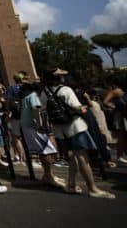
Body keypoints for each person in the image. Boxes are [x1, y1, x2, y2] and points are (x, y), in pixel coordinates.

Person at [40, 68, 115, 199]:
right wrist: (84, 108)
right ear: (57, 78)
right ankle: (93, 188)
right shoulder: (65, 90)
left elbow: (43, 111)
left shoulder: (44, 93)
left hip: (59, 129)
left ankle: (71, 184)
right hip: (74, 126)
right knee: (82, 157)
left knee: (71, 157)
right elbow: (77, 108)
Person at [17, 76, 66, 188]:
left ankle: (49, 175)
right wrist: (42, 125)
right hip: (34, 126)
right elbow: (36, 110)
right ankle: (49, 176)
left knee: (44, 150)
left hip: (29, 125)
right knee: (46, 150)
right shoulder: (34, 96)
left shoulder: (28, 96)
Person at [102, 75, 127, 165]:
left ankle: (120, 155)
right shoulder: (118, 91)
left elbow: (105, 102)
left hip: (122, 115)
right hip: (121, 115)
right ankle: (120, 156)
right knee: (122, 136)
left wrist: (115, 106)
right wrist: (115, 106)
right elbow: (106, 102)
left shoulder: (116, 91)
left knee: (122, 136)